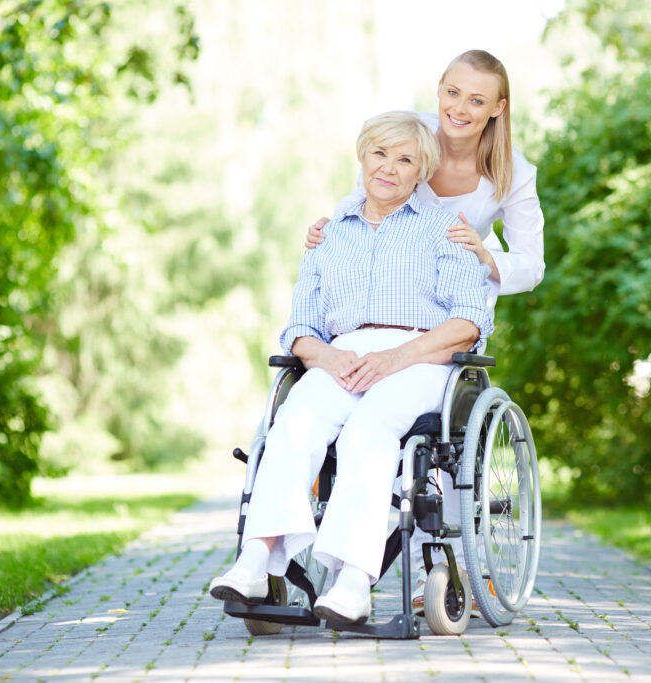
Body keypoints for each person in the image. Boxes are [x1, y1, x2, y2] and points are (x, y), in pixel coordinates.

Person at [208, 111, 493, 625]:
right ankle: (255, 561)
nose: (389, 167)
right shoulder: (330, 234)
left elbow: (470, 322)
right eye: (379, 154)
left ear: (420, 171)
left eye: (404, 159)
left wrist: (395, 358)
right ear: (362, 157)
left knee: (369, 429)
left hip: (419, 356)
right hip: (340, 356)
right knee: (293, 421)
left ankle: (354, 581)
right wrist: (328, 356)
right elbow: (298, 327)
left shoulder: (443, 230)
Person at [305, 49, 545, 614]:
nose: (461, 108)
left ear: (498, 109)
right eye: (454, 93)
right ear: (439, 89)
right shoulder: (410, 138)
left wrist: (488, 255)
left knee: (430, 436)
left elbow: (532, 264)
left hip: (449, 314)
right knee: (355, 418)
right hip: (382, 312)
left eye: (477, 100)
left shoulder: (512, 172)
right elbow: (372, 191)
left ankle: (438, 563)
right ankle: (328, 559)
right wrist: (328, 225)